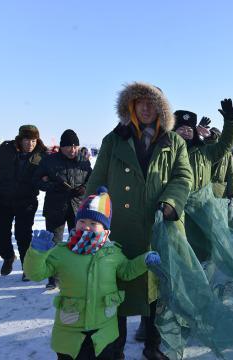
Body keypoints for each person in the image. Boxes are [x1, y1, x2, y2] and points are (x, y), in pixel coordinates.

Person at [85, 82, 193, 360]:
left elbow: (183, 177)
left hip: (161, 228)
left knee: (157, 290)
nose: (146, 107)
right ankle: (114, 346)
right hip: (120, 228)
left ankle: (153, 346)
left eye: (151, 102)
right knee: (116, 288)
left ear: (161, 108)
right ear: (130, 106)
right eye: (140, 102)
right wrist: (90, 213)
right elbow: (97, 180)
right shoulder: (114, 139)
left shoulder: (174, 141)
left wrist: (170, 202)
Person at [24, 186, 161, 360]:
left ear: (106, 230)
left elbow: (126, 271)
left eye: (93, 223)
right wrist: (37, 253)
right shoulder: (62, 252)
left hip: (104, 331)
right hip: (71, 331)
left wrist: (144, 261)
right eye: (82, 222)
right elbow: (35, 274)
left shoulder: (113, 253)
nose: (86, 227)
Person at [173, 103, 233, 262]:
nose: (186, 133)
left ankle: (204, 278)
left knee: (204, 248)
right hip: (176, 210)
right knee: (181, 250)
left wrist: (231, 122)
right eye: (181, 129)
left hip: (202, 209)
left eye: (189, 130)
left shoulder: (205, 152)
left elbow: (225, 145)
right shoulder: (167, 152)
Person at [0, 125, 47, 279]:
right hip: (1, 200)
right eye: (27, 140)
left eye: (33, 140)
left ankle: (27, 266)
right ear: (20, 139)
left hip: (26, 202)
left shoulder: (42, 155)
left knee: (23, 235)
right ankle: (8, 256)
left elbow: (48, 176)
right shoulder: (5, 150)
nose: (30, 144)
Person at [33, 129, 93, 289]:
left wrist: (84, 189)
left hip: (78, 209)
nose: (73, 150)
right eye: (69, 147)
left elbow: (91, 179)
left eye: (75, 146)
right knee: (54, 243)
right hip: (55, 207)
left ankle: (79, 273)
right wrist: (54, 186)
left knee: (80, 241)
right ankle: (53, 277)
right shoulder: (49, 161)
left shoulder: (83, 160)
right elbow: (37, 180)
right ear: (61, 147)